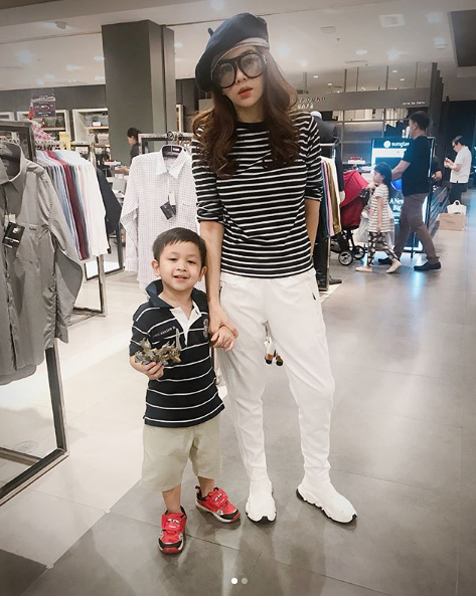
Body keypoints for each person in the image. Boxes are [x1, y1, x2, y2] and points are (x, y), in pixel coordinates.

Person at [192, 12, 356, 525]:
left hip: (293, 279)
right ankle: (259, 482)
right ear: (217, 83)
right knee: (246, 393)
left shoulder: (303, 128)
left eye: (248, 62)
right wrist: (214, 301)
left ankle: (316, 479)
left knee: (318, 386)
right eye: (225, 70)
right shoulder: (207, 138)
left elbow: (312, 202)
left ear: (266, 61)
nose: (240, 78)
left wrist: (303, 270)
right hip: (238, 284)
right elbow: (211, 224)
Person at [129, 228, 240, 555]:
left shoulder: (206, 304)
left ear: (202, 271)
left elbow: (222, 328)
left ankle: (207, 495)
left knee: (208, 458)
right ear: (156, 266)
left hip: (206, 404)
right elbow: (134, 354)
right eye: (173, 259)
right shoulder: (147, 314)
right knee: (168, 465)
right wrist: (144, 366)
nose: (181, 267)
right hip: (165, 412)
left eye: (191, 262)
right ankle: (173, 513)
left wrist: (224, 333)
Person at [379, 111, 441, 272]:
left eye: (410, 124)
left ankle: (433, 259)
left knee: (416, 223)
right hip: (415, 190)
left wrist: (382, 178)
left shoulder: (416, 145)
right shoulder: (424, 143)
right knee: (404, 223)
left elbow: (400, 169)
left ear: (415, 125)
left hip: (415, 191)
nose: (409, 127)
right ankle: (395, 256)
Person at [311, 110, 344, 288]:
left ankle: (310, 272)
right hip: (323, 182)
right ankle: (322, 275)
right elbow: (337, 160)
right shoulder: (329, 129)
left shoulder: (296, 129)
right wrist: (340, 188)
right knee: (323, 228)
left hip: (301, 185)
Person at [356, 163, 401, 274]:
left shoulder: (380, 190)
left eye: (376, 174)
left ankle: (369, 265)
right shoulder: (384, 188)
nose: (373, 176)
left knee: (372, 244)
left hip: (376, 221)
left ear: (382, 176)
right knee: (380, 243)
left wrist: (379, 223)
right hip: (380, 221)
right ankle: (394, 260)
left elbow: (380, 207)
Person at [445, 135, 472, 204]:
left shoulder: (462, 153)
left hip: (458, 181)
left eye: (454, 146)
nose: (454, 148)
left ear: (459, 144)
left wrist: (448, 165)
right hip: (462, 180)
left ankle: (455, 211)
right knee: (455, 199)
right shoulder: (467, 152)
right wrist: (451, 163)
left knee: (454, 200)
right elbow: (458, 165)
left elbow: (457, 168)